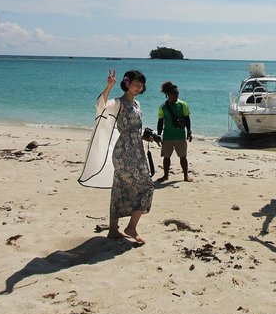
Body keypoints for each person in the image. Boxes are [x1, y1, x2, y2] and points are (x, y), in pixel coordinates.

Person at [78, 68, 157, 243]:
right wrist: (109, 87)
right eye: (136, 84)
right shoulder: (118, 103)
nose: (138, 88)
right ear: (127, 83)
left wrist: (147, 136)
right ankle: (131, 227)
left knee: (120, 187)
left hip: (137, 149)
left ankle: (113, 230)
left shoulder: (137, 104)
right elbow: (101, 106)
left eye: (141, 86)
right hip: (124, 151)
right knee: (146, 186)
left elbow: (135, 128)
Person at [157, 80, 193, 182]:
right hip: (167, 135)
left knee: (183, 157)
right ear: (168, 94)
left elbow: (187, 119)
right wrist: (159, 135)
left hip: (180, 135)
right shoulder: (162, 107)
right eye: (174, 93)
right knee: (166, 157)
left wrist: (189, 131)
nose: (177, 95)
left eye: (177, 93)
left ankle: (186, 176)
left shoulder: (182, 104)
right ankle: (165, 175)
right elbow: (160, 122)